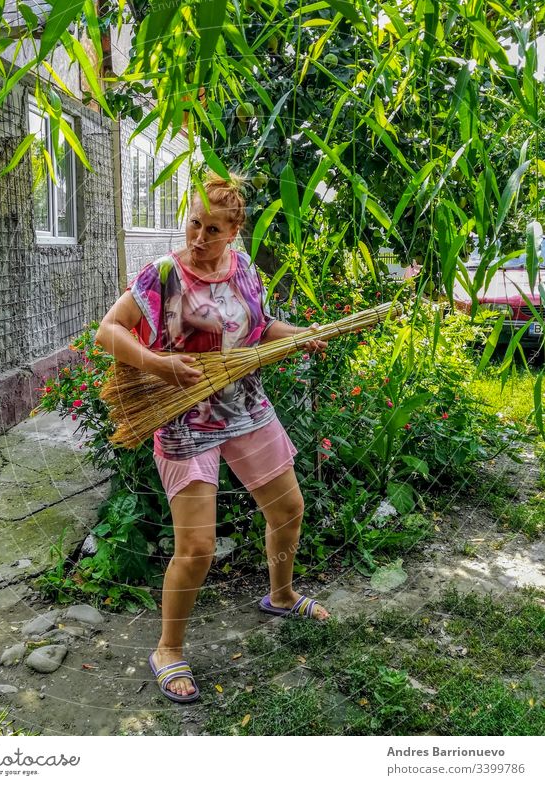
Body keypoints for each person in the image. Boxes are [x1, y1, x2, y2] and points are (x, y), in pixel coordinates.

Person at [94, 172, 330, 703]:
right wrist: (160, 365)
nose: (199, 238)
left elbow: (260, 327)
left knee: (288, 510)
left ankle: (282, 594)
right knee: (197, 546)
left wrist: (302, 337)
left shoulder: (243, 268)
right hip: (183, 419)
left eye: (213, 230)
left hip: (245, 407)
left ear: (234, 232)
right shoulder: (161, 276)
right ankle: (168, 649)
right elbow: (106, 331)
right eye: (194, 224)